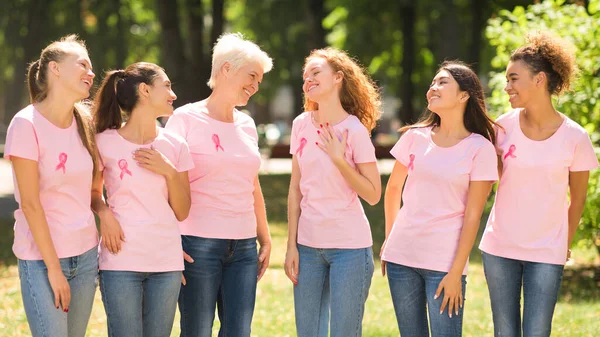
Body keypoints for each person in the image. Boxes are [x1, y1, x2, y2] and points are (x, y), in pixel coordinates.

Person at [479, 32, 599, 337]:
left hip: (547, 252)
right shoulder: (502, 127)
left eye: (513, 78)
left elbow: (578, 199)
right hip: (499, 247)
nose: (507, 86)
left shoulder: (576, 137)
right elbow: (484, 179)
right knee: (505, 333)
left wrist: (563, 242)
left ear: (539, 80)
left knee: (537, 332)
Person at [164, 32, 273, 337]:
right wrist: (171, 240)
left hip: (243, 247)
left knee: (239, 331)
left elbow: (252, 186)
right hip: (198, 245)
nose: (255, 85)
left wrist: (264, 238)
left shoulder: (248, 125)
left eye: (260, 80)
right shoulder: (184, 119)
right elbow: (165, 185)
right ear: (226, 69)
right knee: (197, 331)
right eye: (252, 75)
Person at [381, 61, 499, 337]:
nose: (432, 88)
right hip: (402, 257)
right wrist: (390, 240)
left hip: (444, 263)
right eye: (432, 82)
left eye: (442, 82)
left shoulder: (480, 148)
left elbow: (473, 214)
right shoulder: (414, 137)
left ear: (464, 95)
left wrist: (457, 271)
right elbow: (393, 189)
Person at [4, 34, 99, 337]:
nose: (91, 72)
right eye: (82, 64)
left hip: (85, 256)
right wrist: (54, 271)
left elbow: (96, 187)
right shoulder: (25, 124)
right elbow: (30, 204)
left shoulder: (84, 121)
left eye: (91, 66)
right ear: (55, 69)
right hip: (42, 261)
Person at [90, 62, 193, 337]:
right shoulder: (103, 142)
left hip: (166, 263)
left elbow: (182, 211)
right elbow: (91, 193)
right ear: (145, 90)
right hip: (120, 260)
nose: (173, 94)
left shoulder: (175, 145)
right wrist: (105, 213)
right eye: (167, 86)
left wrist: (169, 172)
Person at [284, 47, 382, 337]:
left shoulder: (354, 130)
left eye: (316, 73)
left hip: (349, 249)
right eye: (305, 76)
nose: (308, 80)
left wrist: (340, 159)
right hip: (308, 248)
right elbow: (295, 189)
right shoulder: (300, 124)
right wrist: (291, 245)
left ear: (338, 77)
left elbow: (374, 194)